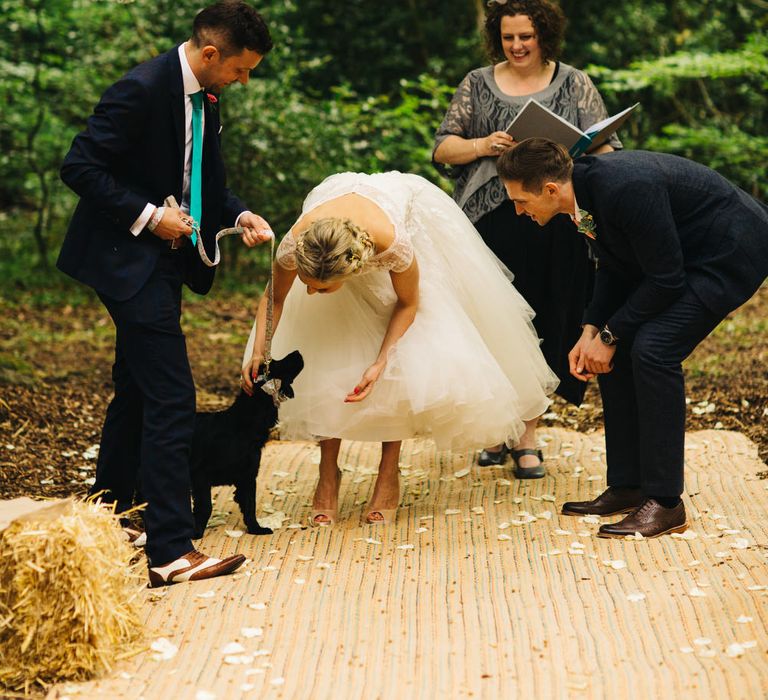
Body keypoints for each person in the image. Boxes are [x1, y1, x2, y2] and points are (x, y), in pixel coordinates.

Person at [58, 1, 275, 586]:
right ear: (210, 54)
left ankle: (114, 516)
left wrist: (240, 212)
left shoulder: (206, 95)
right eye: (240, 69)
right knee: (173, 396)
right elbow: (80, 166)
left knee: (136, 389)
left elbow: (206, 182)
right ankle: (171, 551)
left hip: (163, 265)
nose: (243, 80)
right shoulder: (141, 88)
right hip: (124, 258)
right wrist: (151, 217)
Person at [241, 172, 559, 526]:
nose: (311, 294)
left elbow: (408, 304)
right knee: (325, 355)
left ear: (354, 268)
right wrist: (260, 349)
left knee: (400, 365)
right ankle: (327, 473)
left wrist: (380, 361)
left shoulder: (394, 245)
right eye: (308, 285)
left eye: (321, 288)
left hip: (405, 213)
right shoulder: (297, 245)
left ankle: (388, 473)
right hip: (333, 224)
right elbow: (275, 298)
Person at [496, 137, 768, 537]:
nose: (519, 211)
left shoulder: (626, 189)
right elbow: (615, 266)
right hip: (679, 259)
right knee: (620, 352)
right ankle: (628, 484)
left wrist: (610, 333)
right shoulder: (582, 193)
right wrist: (591, 329)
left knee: (653, 349)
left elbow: (666, 280)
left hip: (728, 251)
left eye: (521, 201)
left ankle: (665, 503)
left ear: (550, 190)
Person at [433, 0, 621, 477]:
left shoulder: (575, 82)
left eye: (526, 37)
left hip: (557, 222)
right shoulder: (477, 82)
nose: (516, 46)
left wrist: (574, 150)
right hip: (492, 220)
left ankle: (528, 432)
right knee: (494, 322)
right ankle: (498, 425)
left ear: (545, 37)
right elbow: (443, 148)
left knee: (550, 314)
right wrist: (483, 146)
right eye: (508, 37)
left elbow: (607, 149)